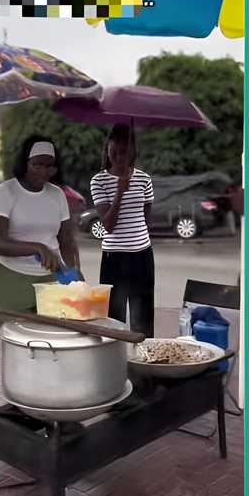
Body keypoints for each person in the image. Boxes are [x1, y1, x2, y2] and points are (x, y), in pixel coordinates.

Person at [0, 136, 81, 315]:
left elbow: (67, 241)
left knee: (53, 337)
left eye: (49, 166)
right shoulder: (6, 192)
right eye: (37, 165)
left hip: (52, 279)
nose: (44, 172)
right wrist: (37, 248)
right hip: (13, 279)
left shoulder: (57, 195)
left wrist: (73, 273)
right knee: (17, 338)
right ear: (25, 163)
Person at [90, 125, 155, 337]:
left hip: (142, 256)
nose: (119, 157)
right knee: (113, 318)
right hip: (114, 258)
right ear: (107, 150)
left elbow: (145, 218)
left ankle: (144, 363)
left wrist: (137, 240)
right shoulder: (98, 181)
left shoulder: (144, 179)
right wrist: (119, 192)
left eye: (124, 152)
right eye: (114, 152)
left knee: (143, 317)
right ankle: (114, 362)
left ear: (133, 151)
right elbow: (108, 225)